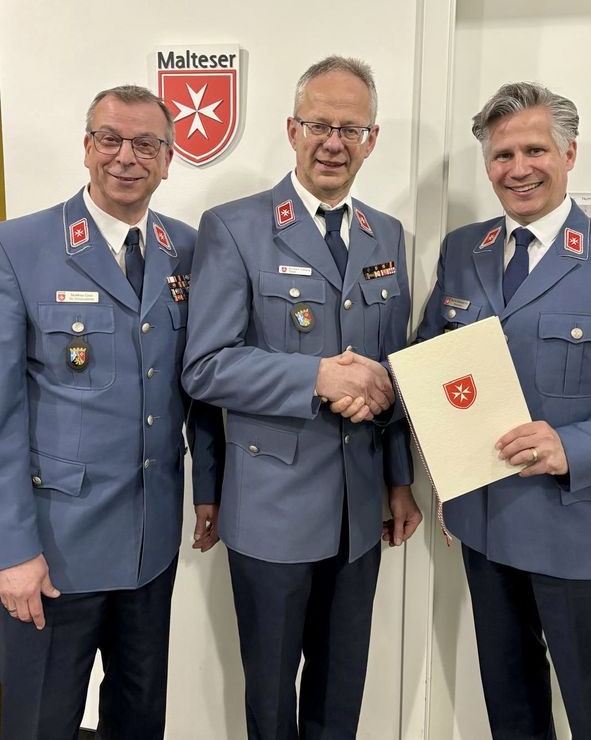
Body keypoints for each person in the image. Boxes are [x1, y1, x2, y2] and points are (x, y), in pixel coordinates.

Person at [183, 55, 422, 739]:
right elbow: (205, 367)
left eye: (352, 128)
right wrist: (315, 377)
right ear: (292, 129)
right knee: (271, 699)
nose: (333, 142)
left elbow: (391, 369)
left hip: (358, 510)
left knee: (340, 693)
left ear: (371, 139)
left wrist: (399, 480)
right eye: (319, 124)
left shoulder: (388, 235)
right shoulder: (235, 227)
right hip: (272, 510)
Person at [417, 81, 591, 739]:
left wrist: (571, 446)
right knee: (512, 712)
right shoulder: (465, 250)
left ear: (569, 154)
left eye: (534, 150)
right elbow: (434, 366)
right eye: (501, 155)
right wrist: (448, 460)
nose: (517, 169)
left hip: (581, 533)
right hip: (487, 526)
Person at [0, 85, 224, 740]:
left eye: (146, 143)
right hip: (53, 554)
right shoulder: (21, 246)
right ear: (87, 147)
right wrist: (12, 550)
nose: (126, 157)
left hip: (148, 547)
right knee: (40, 723)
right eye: (110, 139)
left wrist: (207, 489)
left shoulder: (186, 248)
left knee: (138, 721)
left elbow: (199, 384)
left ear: (169, 157)